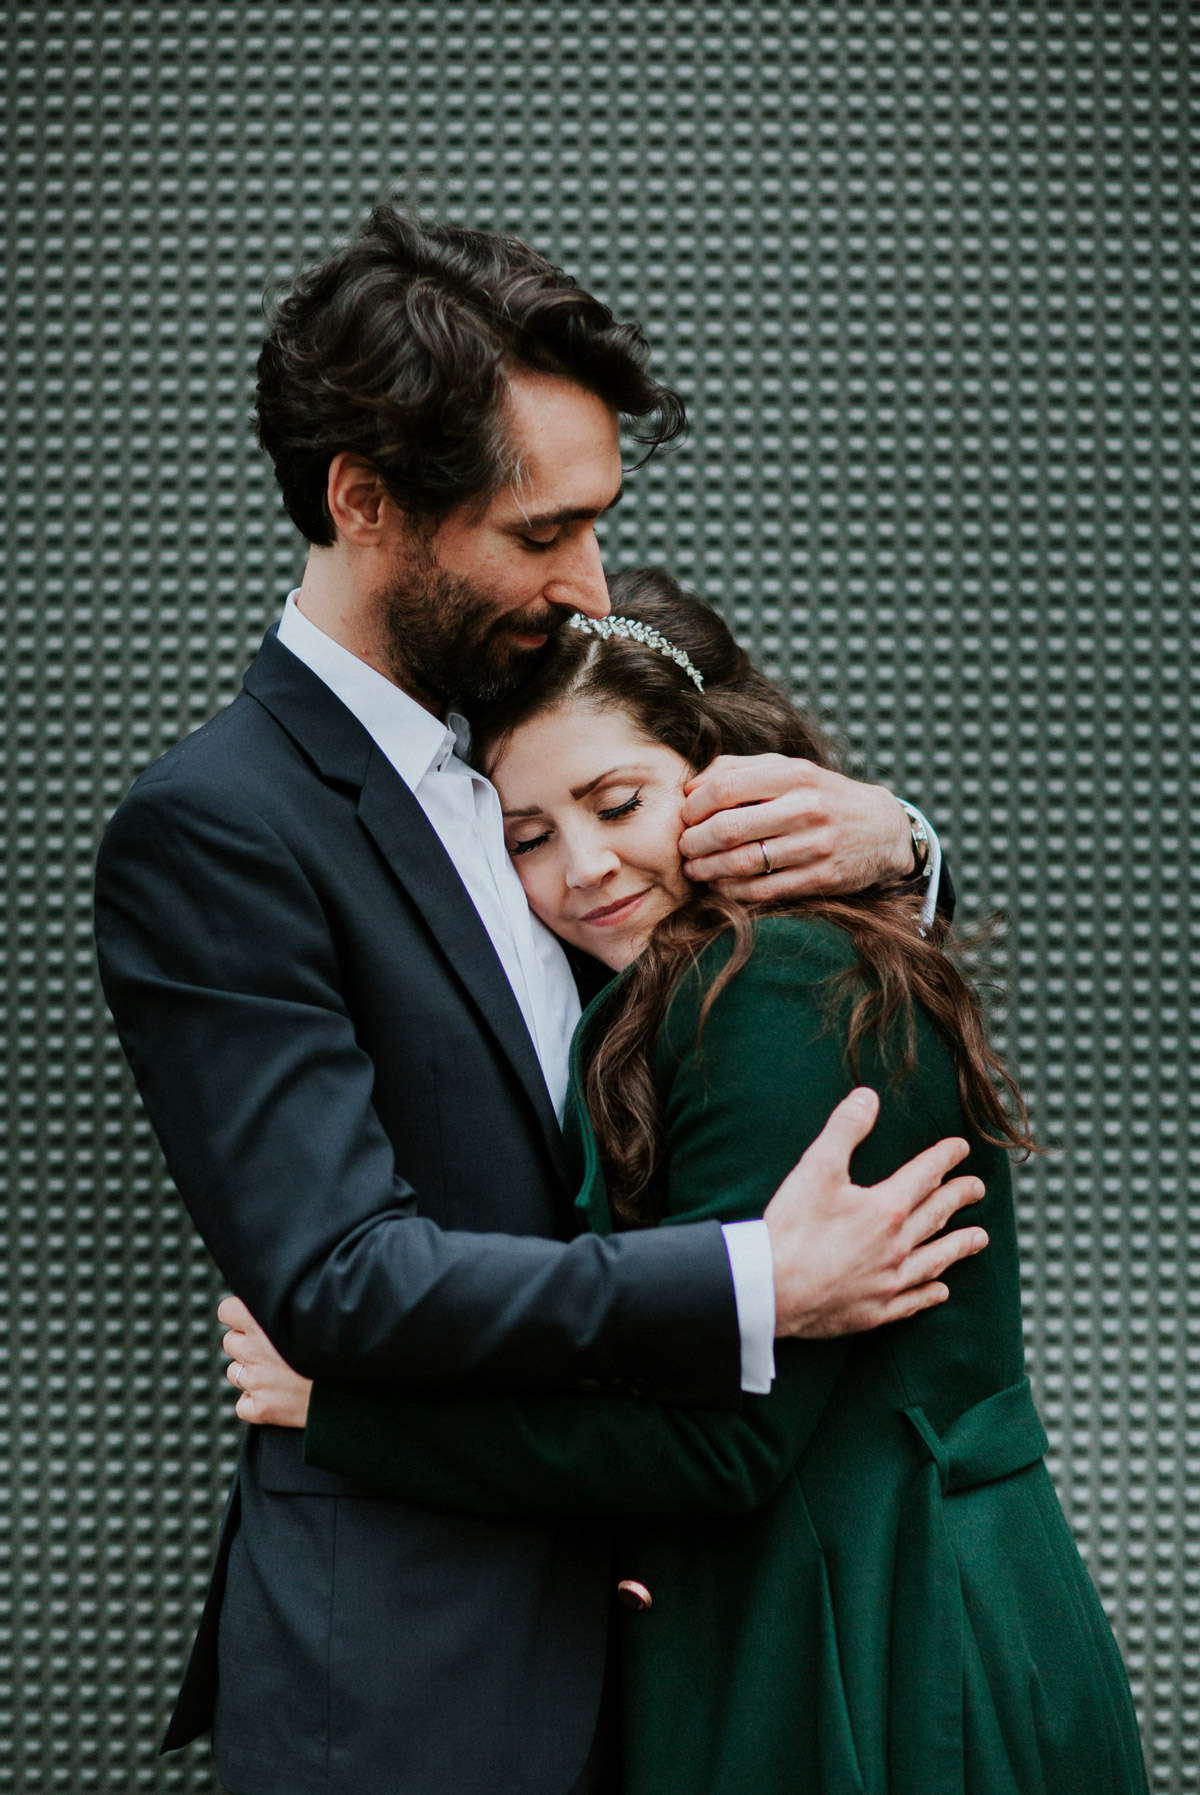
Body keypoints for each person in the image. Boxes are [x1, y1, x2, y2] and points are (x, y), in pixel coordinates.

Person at [94, 209, 986, 1795]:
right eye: (537, 534)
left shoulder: (548, 741)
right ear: (365, 502)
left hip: (674, 1642)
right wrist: (751, 1278)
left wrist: (909, 852)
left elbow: (736, 1012)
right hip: (418, 1680)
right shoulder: (218, 826)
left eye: (599, 528)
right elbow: (343, 1274)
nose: (586, 586)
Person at [222, 567, 1149, 1795]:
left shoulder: (774, 988)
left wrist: (337, 1407)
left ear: (724, 773)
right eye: (529, 837)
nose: (588, 868)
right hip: (803, 1597)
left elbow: (723, 1446)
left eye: (620, 801)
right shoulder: (671, 989)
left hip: (874, 1624)